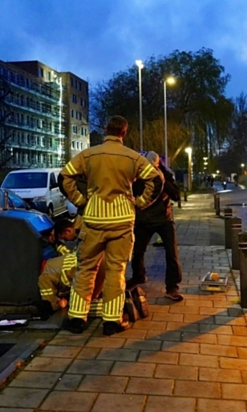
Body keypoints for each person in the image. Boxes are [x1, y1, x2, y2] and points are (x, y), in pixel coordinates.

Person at [60, 115, 163, 336]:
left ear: (106, 129)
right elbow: (156, 181)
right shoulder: (133, 157)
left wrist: (79, 200)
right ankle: (112, 320)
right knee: (116, 270)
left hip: (94, 220)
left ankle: (77, 318)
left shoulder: (88, 154)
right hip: (122, 221)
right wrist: (140, 203)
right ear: (124, 133)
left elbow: (65, 177)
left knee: (86, 268)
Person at [127, 151, 183, 301]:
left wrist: (163, 183)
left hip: (164, 218)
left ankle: (172, 287)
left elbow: (176, 195)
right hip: (144, 220)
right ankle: (138, 276)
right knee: (137, 251)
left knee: (171, 252)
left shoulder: (165, 174)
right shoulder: (138, 175)